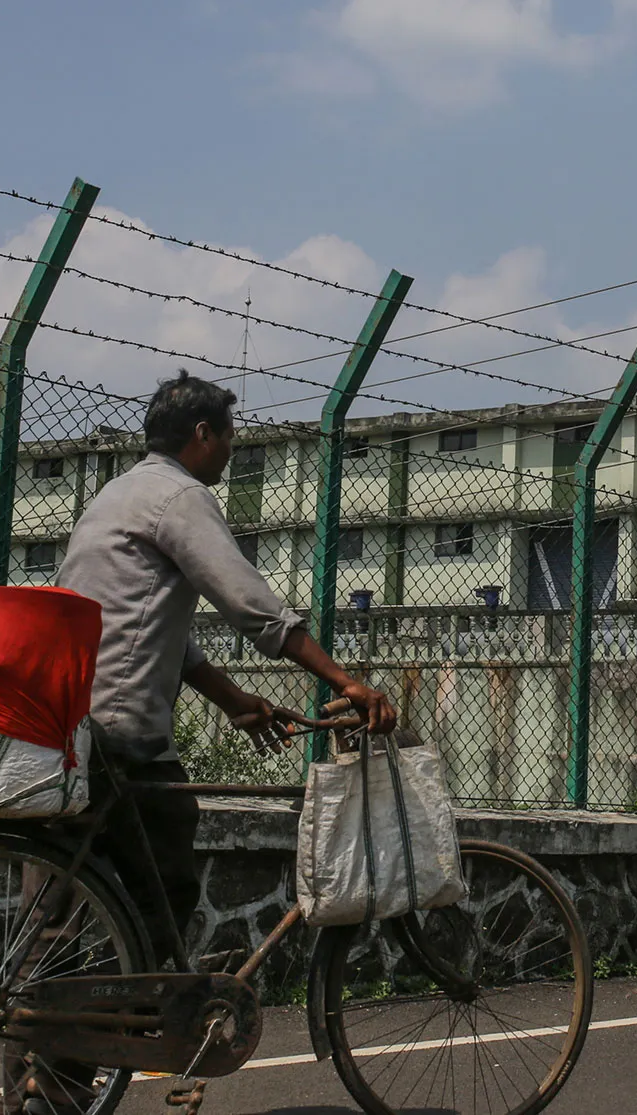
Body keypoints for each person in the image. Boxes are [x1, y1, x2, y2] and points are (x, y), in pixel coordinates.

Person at [57, 370, 397, 951]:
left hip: (69, 720)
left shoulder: (115, 494)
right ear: (203, 434)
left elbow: (147, 630)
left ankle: (46, 1030)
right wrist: (348, 681)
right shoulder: (182, 496)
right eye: (231, 435)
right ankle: (150, 1016)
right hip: (121, 728)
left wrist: (235, 700)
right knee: (164, 885)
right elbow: (253, 608)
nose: (233, 448)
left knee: (61, 894)